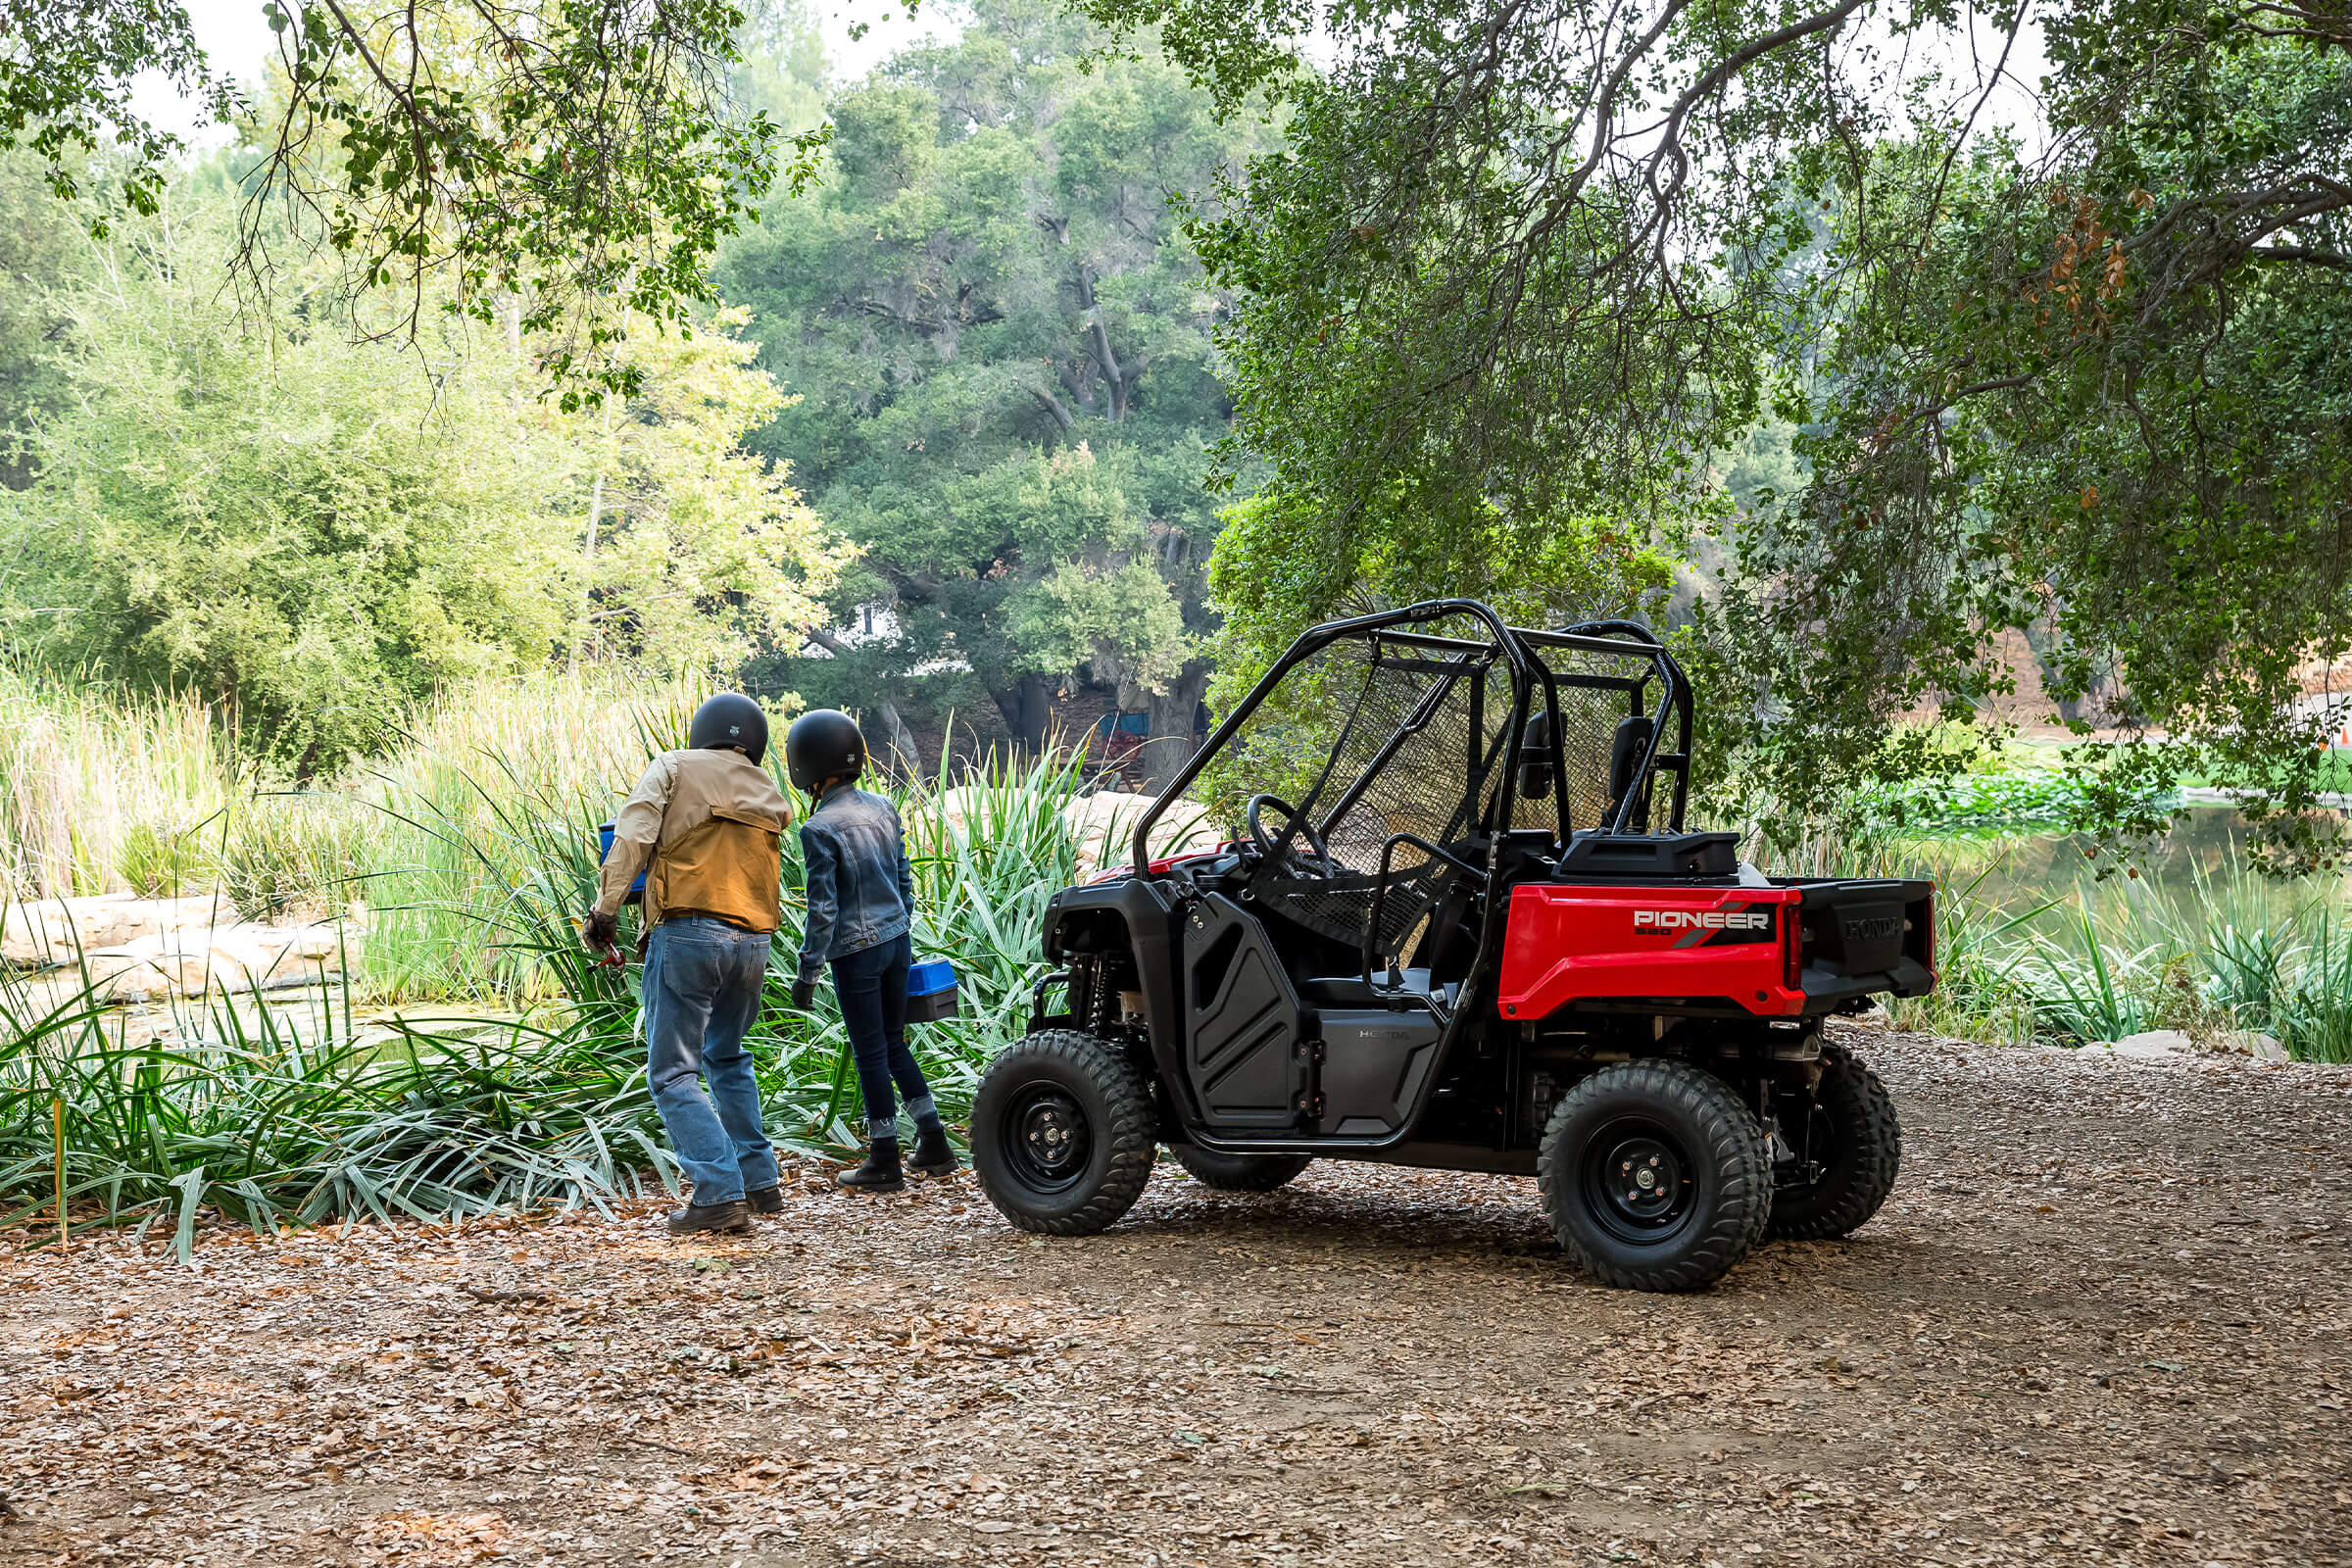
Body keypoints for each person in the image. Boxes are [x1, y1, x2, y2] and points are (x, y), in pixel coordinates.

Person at [586, 693, 791, 1236]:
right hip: (754, 941)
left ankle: (719, 1193)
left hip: (689, 932)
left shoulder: (673, 765)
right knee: (728, 1055)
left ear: (703, 732)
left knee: (673, 1073)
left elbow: (631, 838)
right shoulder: (766, 787)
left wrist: (605, 912)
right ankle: (759, 1182)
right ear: (755, 741)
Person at [784, 709, 956, 1192]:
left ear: (808, 769)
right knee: (893, 1041)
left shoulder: (819, 829)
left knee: (868, 1053)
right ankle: (935, 1142)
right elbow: (904, 879)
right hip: (896, 941)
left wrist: (807, 974)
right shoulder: (883, 807)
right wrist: (899, 925)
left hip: (855, 954)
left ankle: (884, 1158)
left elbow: (823, 911)